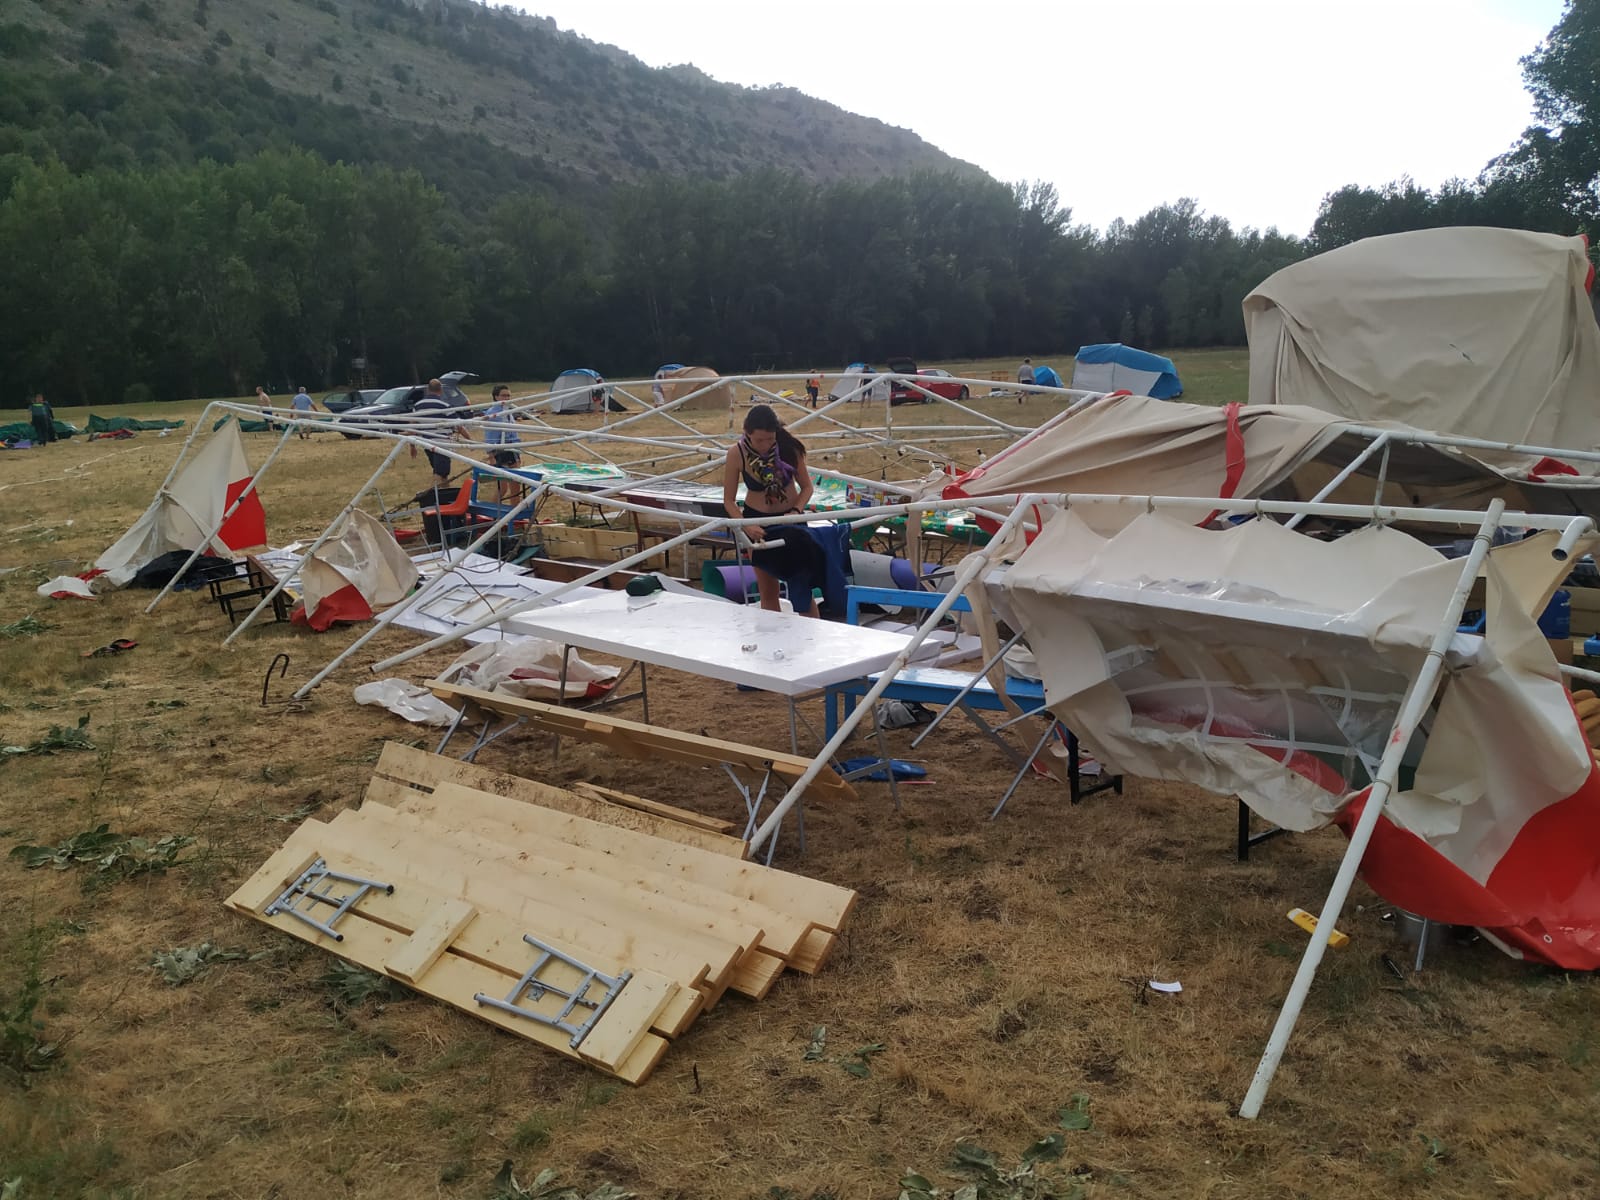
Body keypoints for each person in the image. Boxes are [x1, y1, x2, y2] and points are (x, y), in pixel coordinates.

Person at [723, 404, 822, 617]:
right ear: (746, 432)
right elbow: (729, 501)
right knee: (768, 589)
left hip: (791, 520)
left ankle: (813, 637)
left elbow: (807, 487)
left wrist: (796, 511)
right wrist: (746, 525)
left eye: (770, 439)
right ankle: (773, 639)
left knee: (801, 587)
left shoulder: (789, 448)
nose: (765, 445)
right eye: (759, 440)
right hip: (757, 521)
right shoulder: (736, 453)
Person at [409, 378, 458, 490]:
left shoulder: (418, 406)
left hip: (427, 444)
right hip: (442, 444)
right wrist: (468, 438)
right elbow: (458, 424)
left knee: (443, 473)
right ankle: (431, 498)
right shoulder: (444, 405)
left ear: (428, 389)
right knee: (439, 474)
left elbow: (412, 426)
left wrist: (412, 446)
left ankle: (445, 498)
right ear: (440, 390)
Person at [482, 384, 523, 504]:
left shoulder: (508, 411)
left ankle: (515, 514)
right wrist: (491, 456)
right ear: (496, 397)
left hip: (512, 450)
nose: (506, 398)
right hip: (500, 451)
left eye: (508, 396)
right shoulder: (494, 413)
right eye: (503, 396)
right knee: (503, 488)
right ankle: (493, 514)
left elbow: (513, 433)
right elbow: (490, 436)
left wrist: (518, 451)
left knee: (515, 486)